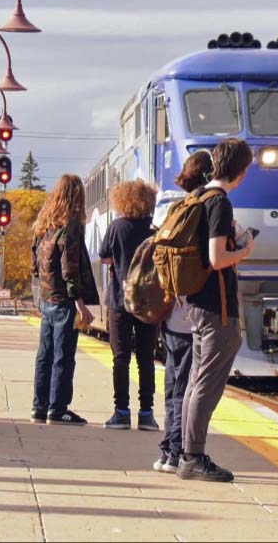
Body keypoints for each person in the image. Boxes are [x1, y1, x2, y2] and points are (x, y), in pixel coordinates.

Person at [177, 139, 255, 482]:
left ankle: (186, 452)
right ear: (240, 171)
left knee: (195, 383)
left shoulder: (197, 197)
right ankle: (193, 456)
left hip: (195, 305)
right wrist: (245, 251)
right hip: (216, 309)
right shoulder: (219, 203)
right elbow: (216, 258)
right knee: (206, 385)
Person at [31, 174, 99, 425]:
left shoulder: (43, 223)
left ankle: (39, 407)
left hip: (47, 298)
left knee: (45, 355)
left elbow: (34, 262)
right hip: (63, 302)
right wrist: (80, 303)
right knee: (63, 355)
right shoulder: (70, 224)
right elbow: (69, 266)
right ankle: (58, 409)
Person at [99, 179, 161, 431]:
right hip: (149, 302)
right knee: (146, 359)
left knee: (120, 358)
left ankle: (121, 413)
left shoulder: (117, 227)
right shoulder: (155, 228)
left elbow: (104, 257)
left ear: (121, 200)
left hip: (120, 300)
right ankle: (147, 415)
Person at [150, 185, 196, 473]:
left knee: (171, 389)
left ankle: (167, 451)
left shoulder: (160, 236)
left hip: (168, 322)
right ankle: (177, 452)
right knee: (184, 391)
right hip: (190, 323)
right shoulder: (192, 235)